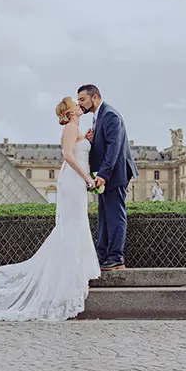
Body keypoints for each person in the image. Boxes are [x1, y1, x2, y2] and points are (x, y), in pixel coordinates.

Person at [0, 97, 101, 321]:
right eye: (75, 103)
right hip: (74, 179)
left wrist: (83, 140)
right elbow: (67, 155)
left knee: (75, 223)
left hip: (76, 180)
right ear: (70, 111)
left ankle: (73, 274)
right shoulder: (70, 128)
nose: (79, 105)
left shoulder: (75, 129)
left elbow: (75, 149)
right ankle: (69, 277)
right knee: (72, 225)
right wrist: (86, 178)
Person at [78, 84, 138, 271]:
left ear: (94, 97)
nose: (79, 103)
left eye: (82, 99)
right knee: (104, 216)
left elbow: (114, 147)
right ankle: (103, 255)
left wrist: (103, 175)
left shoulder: (110, 115)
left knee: (114, 216)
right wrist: (90, 140)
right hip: (107, 175)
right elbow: (104, 145)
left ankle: (116, 258)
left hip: (115, 174)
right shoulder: (100, 116)